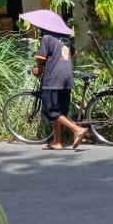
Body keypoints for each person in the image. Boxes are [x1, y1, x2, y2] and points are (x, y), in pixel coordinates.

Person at [31, 21, 88, 150]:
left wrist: (38, 70)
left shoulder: (47, 37)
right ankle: (57, 142)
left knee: (52, 111)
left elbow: (41, 58)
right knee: (60, 112)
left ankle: (77, 129)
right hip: (66, 78)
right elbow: (74, 53)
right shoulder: (65, 39)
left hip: (53, 79)